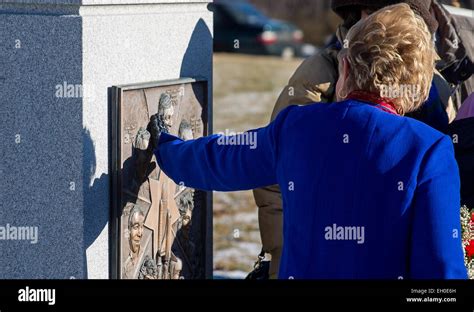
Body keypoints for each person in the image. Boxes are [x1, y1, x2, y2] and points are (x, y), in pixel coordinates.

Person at [149, 4, 467, 279]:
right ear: (418, 89)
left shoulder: (298, 126)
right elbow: (441, 269)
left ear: (344, 67)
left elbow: (222, 159)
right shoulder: (429, 150)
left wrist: (166, 148)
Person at [253, 0, 474, 278]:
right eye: (376, 13)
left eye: (404, 16)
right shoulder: (324, 74)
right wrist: (287, 257)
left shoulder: (434, 83)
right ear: (355, 13)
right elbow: (276, 179)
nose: (388, 25)